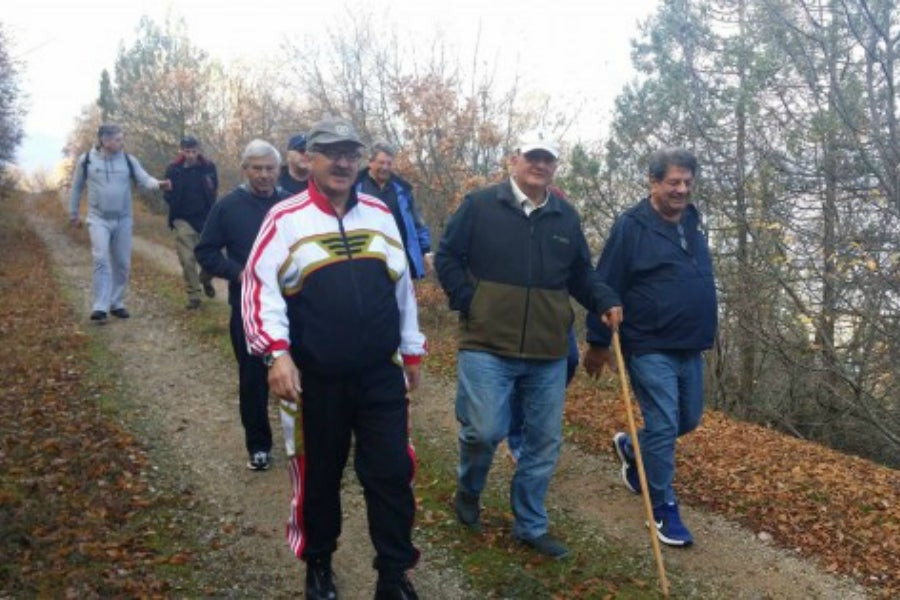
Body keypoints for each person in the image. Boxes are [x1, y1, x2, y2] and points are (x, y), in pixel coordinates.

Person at [242, 117, 426, 600]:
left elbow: (402, 288)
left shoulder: (380, 214)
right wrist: (275, 354)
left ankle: (393, 573)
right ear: (311, 160)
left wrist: (412, 349)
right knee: (319, 476)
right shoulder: (285, 218)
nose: (343, 162)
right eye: (332, 153)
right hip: (314, 380)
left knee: (391, 472)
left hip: (379, 374)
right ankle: (318, 563)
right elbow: (259, 290)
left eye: (351, 153)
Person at [434, 133, 622, 560]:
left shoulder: (564, 217)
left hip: (547, 350)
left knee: (543, 441)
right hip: (486, 343)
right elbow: (447, 256)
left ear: (555, 167)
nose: (540, 164)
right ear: (514, 160)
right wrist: (469, 300)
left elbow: (581, 275)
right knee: (483, 432)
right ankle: (469, 491)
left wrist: (605, 299)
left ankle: (530, 525)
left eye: (548, 159)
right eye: (532, 157)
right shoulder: (480, 205)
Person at [583, 148, 717, 548]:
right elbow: (604, 281)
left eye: (688, 183)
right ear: (654, 182)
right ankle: (663, 506)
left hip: (689, 343)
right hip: (648, 342)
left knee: (687, 420)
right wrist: (598, 341)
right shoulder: (632, 226)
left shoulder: (692, 223)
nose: (682, 190)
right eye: (674, 182)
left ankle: (631, 447)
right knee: (662, 426)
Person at [195, 140, 291, 472]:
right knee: (253, 378)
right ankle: (259, 445)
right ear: (245, 170)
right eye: (257, 168)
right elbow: (205, 251)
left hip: (291, 305)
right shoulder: (227, 207)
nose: (264, 175)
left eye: (269, 168)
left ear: (279, 170)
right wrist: (238, 274)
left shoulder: (289, 205)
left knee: (300, 372)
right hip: (247, 306)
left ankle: (305, 442)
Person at [69, 123, 171, 324]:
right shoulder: (87, 161)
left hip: (123, 219)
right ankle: (100, 307)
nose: (121, 143)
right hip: (98, 219)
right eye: (118, 139)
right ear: (104, 141)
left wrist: (159, 184)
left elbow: (144, 178)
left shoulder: (128, 160)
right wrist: (73, 213)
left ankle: (116, 303)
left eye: (121, 139)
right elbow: (76, 187)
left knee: (122, 263)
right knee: (101, 259)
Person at [355, 142, 433, 278]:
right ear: (370, 162)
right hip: (366, 259)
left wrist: (426, 250)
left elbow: (417, 222)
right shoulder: (355, 187)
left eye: (389, 163)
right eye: (381, 163)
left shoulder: (403, 190)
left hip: (400, 259)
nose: (385, 167)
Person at [163, 135, 219, 309]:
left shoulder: (208, 167)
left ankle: (205, 278)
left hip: (206, 217)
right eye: (187, 151)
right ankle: (194, 295)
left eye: (194, 151)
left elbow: (214, 189)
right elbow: (167, 193)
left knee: (212, 256)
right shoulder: (173, 169)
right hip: (182, 218)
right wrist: (173, 202)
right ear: (181, 150)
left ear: (199, 150)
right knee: (187, 259)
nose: (191, 155)